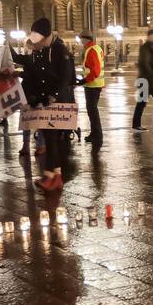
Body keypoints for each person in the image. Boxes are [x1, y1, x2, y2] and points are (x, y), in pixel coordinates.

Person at [27, 18, 76, 191]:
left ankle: (52, 176)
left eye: (39, 41)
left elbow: (65, 77)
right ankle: (55, 176)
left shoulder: (59, 50)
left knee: (52, 139)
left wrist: (54, 95)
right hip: (45, 100)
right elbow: (37, 72)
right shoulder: (43, 49)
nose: (38, 44)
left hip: (57, 102)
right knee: (50, 139)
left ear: (47, 36)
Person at [77, 29, 105, 150]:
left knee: (92, 111)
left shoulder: (91, 50)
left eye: (81, 39)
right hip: (93, 84)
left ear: (85, 39)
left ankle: (97, 135)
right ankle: (95, 133)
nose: (80, 41)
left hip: (92, 84)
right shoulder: (96, 48)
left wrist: (84, 80)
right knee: (92, 111)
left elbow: (95, 71)